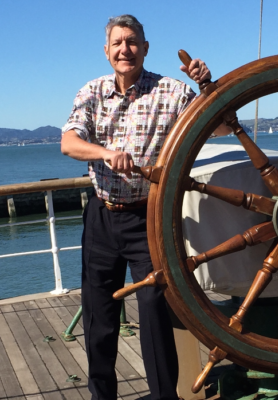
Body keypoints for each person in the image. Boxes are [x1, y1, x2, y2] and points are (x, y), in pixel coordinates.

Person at [61, 14, 229, 400]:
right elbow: (69, 142)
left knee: (155, 311)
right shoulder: (91, 92)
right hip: (102, 217)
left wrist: (207, 87)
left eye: (132, 41)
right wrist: (105, 153)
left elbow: (222, 128)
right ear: (106, 51)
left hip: (148, 218)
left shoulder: (173, 92)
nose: (125, 49)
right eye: (118, 43)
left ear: (146, 48)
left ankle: (163, 396)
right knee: (98, 315)